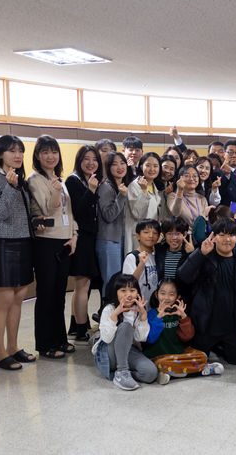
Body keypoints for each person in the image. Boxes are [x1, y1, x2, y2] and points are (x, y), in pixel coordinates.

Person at [0, 135, 36, 370]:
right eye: (12, 150)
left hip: (24, 242)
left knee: (18, 298)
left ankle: (13, 347)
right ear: (0, 153)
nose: (17, 155)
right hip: (2, 243)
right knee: (3, 299)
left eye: (20, 151)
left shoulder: (20, 181)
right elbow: (0, 212)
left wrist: (37, 220)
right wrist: (10, 186)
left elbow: (21, 214)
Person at [177, 219, 236, 365]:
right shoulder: (204, 257)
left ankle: (219, 346)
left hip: (231, 326)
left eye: (231, 235)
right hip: (206, 325)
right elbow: (183, 276)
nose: (227, 239)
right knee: (199, 361)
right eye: (222, 235)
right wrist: (200, 253)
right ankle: (212, 345)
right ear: (214, 237)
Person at [27, 135, 78, 359]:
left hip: (65, 241)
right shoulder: (35, 179)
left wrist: (74, 235)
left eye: (54, 152)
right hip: (46, 241)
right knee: (46, 293)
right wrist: (56, 190)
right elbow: (49, 208)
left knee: (59, 293)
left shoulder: (59, 178)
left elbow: (69, 212)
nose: (50, 156)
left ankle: (60, 338)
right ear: (37, 156)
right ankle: (45, 343)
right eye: (45, 152)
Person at [143, 279, 224, 385]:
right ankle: (199, 371)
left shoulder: (178, 313)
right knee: (163, 363)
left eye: (171, 294)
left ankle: (174, 373)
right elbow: (150, 338)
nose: (166, 298)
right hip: (159, 356)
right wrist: (158, 317)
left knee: (202, 356)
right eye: (162, 293)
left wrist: (183, 316)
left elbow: (187, 336)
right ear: (156, 294)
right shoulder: (151, 314)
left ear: (178, 297)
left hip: (178, 355)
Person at [92, 273, 157, 390]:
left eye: (132, 290)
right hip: (108, 353)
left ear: (137, 293)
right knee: (126, 327)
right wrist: (115, 314)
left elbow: (141, 338)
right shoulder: (109, 309)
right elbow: (106, 338)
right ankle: (122, 372)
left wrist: (143, 315)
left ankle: (125, 372)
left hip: (126, 351)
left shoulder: (137, 310)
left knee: (150, 373)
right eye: (123, 291)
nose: (128, 295)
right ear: (116, 292)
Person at [65, 144, 102, 342]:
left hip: (88, 237)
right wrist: (91, 190)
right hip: (81, 237)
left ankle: (75, 325)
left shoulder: (89, 180)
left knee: (81, 285)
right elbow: (78, 211)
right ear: (79, 161)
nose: (91, 163)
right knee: (82, 286)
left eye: (94, 159)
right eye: (86, 159)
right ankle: (81, 330)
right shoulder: (73, 181)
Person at [96, 151, 132, 300]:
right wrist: (122, 196)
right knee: (111, 282)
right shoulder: (105, 187)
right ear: (108, 167)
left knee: (119, 281)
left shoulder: (121, 185)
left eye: (122, 163)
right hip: (108, 240)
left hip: (120, 239)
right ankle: (107, 316)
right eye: (114, 164)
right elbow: (109, 215)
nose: (120, 167)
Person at [127, 152, 165, 252]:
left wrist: (160, 232)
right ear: (141, 167)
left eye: (155, 166)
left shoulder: (154, 186)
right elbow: (137, 213)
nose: (152, 169)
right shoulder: (134, 186)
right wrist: (143, 191)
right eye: (148, 165)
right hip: (139, 237)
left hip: (152, 237)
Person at [123, 219, 161, 300]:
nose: (151, 236)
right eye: (146, 232)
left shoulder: (157, 256)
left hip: (154, 306)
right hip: (138, 305)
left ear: (158, 237)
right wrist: (141, 265)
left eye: (155, 233)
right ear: (137, 236)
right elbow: (128, 284)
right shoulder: (132, 257)